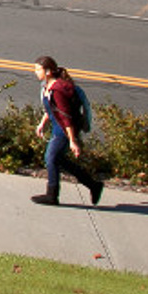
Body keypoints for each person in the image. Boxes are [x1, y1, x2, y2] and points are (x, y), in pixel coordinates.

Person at [31, 55, 104, 206]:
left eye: (38, 69)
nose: (35, 72)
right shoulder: (48, 86)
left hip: (63, 129)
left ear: (48, 71)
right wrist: (42, 123)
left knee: (50, 158)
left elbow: (66, 117)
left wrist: (72, 140)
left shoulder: (57, 90)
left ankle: (52, 195)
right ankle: (93, 185)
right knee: (59, 160)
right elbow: (51, 109)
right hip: (59, 126)